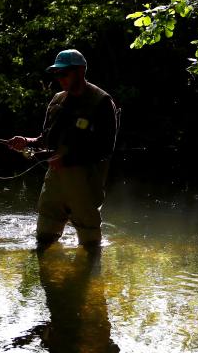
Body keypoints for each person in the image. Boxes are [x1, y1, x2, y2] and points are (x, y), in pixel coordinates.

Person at [7, 49, 118, 252]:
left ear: (81, 71)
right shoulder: (57, 100)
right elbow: (46, 140)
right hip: (55, 183)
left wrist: (66, 160)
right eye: (57, 74)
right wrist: (26, 142)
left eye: (64, 73)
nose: (60, 78)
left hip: (85, 184)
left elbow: (105, 149)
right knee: (43, 240)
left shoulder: (102, 102)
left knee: (91, 247)